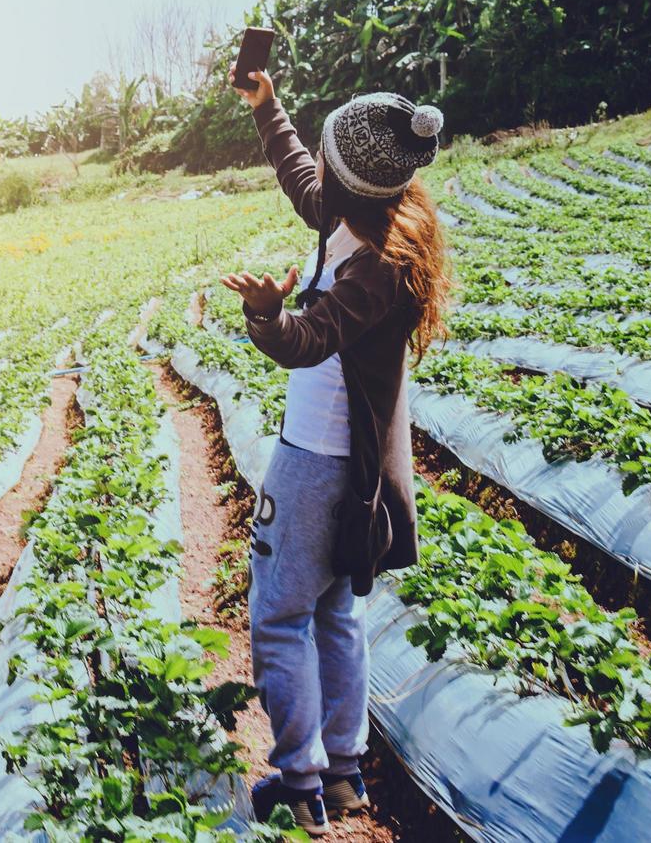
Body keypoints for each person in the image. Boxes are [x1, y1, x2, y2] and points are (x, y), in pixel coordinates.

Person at [220, 69, 451, 834]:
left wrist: (266, 315)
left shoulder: (372, 269)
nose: (312, 173)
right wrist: (266, 107)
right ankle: (343, 776)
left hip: (317, 463)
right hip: (345, 469)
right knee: (335, 613)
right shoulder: (358, 222)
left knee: (281, 614)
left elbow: (308, 341)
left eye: (323, 162)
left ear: (345, 183)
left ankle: (298, 783)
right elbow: (299, 178)